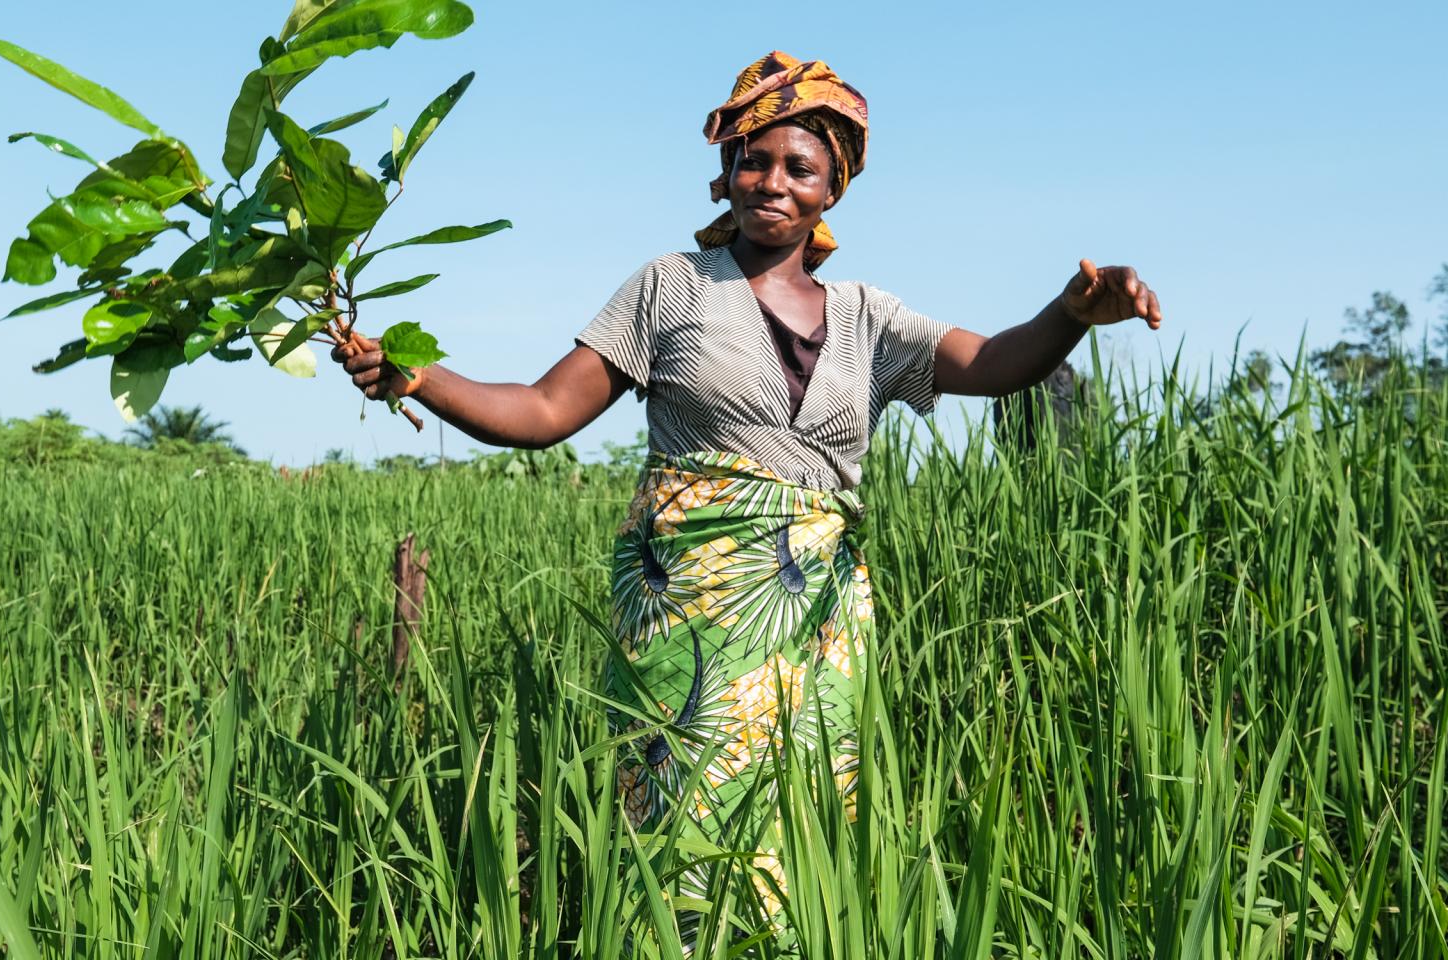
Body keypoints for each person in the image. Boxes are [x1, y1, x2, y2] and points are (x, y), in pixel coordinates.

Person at [334, 49, 1162, 907]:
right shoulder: (671, 289)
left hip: (817, 618)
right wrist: (417, 377)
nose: (772, 181)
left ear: (831, 189)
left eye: (798, 167)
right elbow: (544, 411)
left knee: (805, 826)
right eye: (751, 161)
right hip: (689, 608)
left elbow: (992, 363)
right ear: (725, 175)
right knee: (686, 829)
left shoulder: (869, 318)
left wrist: (1071, 317)